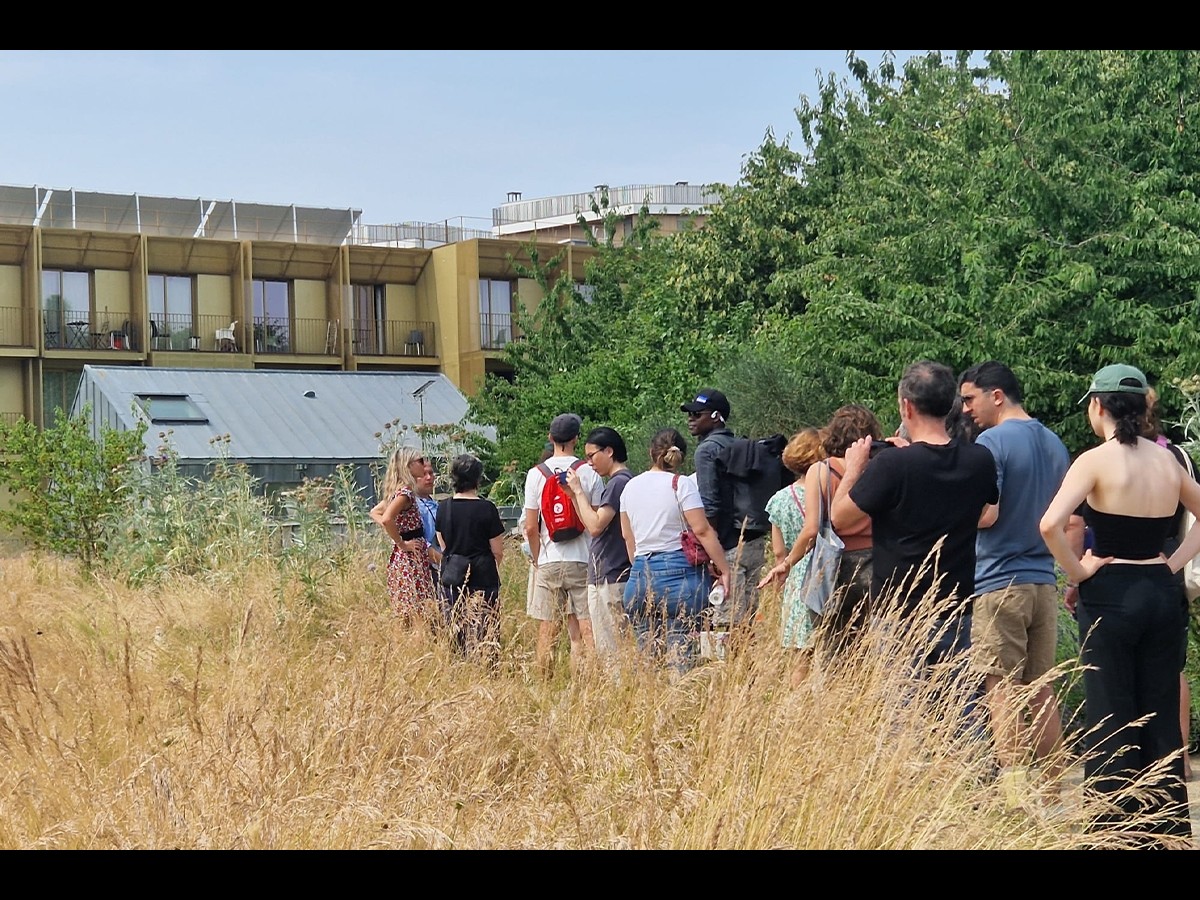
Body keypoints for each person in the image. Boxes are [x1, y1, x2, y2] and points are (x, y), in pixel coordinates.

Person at [1040, 364, 1197, 845]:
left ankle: (1111, 833)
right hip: (1160, 590)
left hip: (1110, 592)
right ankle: (1163, 831)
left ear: (1097, 406)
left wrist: (1078, 571)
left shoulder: (1093, 460)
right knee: (1160, 710)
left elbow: (1050, 525)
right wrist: (1171, 564)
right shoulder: (1168, 461)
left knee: (1110, 711)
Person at [830, 362, 998, 704]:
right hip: (956, 603)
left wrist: (856, 467)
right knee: (960, 709)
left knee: (903, 715)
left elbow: (840, 519)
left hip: (899, 607)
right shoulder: (980, 460)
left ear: (906, 406)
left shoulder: (892, 465)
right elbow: (985, 513)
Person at [958, 361, 1075, 808]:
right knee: (1041, 686)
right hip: (1043, 579)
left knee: (1000, 688)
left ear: (997, 395)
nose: (967, 409)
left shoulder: (991, 442)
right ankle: (1053, 793)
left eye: (971, 399)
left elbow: (987, 514)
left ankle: (1013, 797)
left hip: (998, 580)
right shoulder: (1054, 443)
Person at [760, 404, 882, 657]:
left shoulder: (822, 470)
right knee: (871, 647)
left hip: (836, 565)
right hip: (877, 561)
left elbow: (812, 529)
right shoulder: (879, 468)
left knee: (831, 648)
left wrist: (788, 563)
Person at [621, 428, 729, 674]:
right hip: (680, 576)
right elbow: (702, 530)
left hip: (639, 576)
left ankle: (647, 707)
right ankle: (681, 706)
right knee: (682, 656)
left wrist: (641, 570)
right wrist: (724, 569)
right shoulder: (682, 484)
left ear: (651, 452)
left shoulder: (630, 487)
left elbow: (628, 537)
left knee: (647, 660)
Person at [524, 413, 604, 677]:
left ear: (550, 438)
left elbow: (530, 526)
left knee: (548, 628)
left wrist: (538, 557)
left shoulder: (535, 474)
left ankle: (542, 684)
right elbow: (596, 520)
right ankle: (591, 683)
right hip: (583, 559)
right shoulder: (588, 472)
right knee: (587, 625)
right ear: (576, 439)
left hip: (549, 559)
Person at [1143, 386, 1196, 781]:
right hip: (1172, 557)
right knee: (1173, 664)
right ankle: (1179, 759)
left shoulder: (1117, 455)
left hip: (1141, 558)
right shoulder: (1177, 454)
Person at [682, 388, 766, 638]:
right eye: (690, 414)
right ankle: (747, 671)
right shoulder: (740, 444)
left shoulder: (706, 450)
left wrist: (712, 555)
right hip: (754, 542)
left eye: (698, 414)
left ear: (717, 416)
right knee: (746, 618)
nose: (691, 419)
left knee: (725, 620)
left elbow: (710, 504)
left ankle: (727, 674)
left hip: (728, 547)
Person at [763, 427, 827, 686]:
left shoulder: (779, 500)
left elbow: (779, 551)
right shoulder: (828, 491)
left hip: (796, 575)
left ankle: (796, 707)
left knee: (801, 656)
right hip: (826, 569)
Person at [566, 426, 633, 661]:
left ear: (609, 451)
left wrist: (578, 492)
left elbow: (595, 526)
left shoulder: (618, 483)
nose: (590, 463)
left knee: (610, 650)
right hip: (610, 573)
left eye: (592, 456)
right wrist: (574, 496)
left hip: (611, 575)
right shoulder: (623, 481)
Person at [435, 454, 505, 661]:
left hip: (454, 576)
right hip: (483, 574)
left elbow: (443, 544)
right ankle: (487, 665)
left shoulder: (443, 507)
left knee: (456, 627)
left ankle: (459, 665)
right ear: (478, 478)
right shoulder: (487, 508)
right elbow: (497, 550)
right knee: (487, 627)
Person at [369, 447, 438, 624]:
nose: (424, 466)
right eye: (420, 461)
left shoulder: (398, 491)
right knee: (419, 607)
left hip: (404, 555)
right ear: (408, 465)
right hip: (411, 556)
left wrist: (398, 533)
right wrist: (402, 542)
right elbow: (386, 519)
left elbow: (376, 513)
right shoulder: (406, 493)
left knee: (408, 608)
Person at [415, 459, 441, 586]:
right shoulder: (412, 505)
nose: (429, 478)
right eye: (423, 474)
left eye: (431, 473)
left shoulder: (432, 502)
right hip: (428, 569)